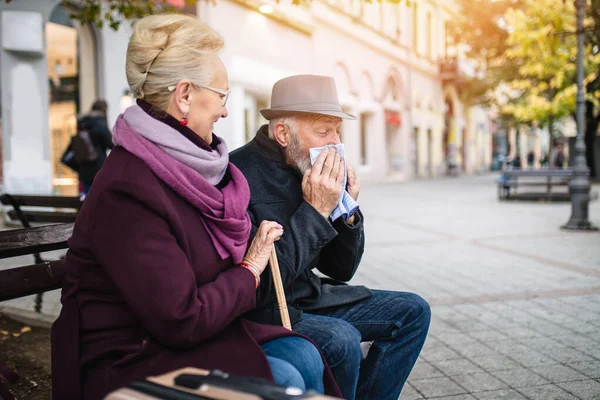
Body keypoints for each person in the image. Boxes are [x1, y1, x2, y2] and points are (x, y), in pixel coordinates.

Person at [51, 16, 341, 400]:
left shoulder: (185, 166)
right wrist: (251, 266)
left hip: (191, 332)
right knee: (288, 366)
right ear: (185, 95)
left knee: (305, 353)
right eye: (222, 97)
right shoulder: (128, 187)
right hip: (130, 355)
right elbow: (181, 318)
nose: (224, 112)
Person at [230, 75, 431, 400]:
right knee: (342, 338)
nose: (335, 143)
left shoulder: (307, 165)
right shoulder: (238, 175)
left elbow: (341, 269)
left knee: (413, 311)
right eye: (323, 132)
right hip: (268, 311)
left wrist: (346, 213)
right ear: (282, 133)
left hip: (311, 298)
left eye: (337, 131)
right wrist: (314, 209)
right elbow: (263, 285)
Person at [76, 99, 114, 195]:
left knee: (86, 199)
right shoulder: (100, 124)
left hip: (84, 170)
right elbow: (111, 144)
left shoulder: (82, 123)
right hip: (98, 168)